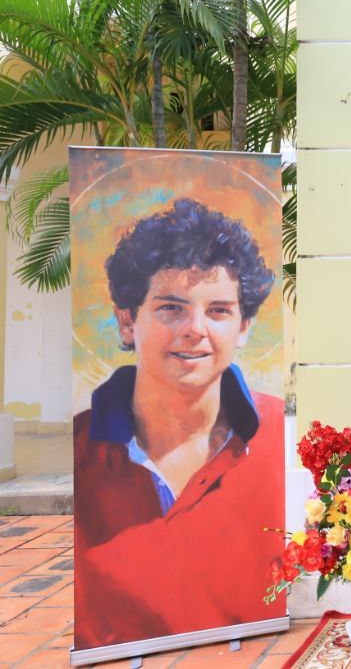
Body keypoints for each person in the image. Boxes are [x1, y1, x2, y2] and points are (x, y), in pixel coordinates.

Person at [74, 198, 284, 650]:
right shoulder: (79, 450)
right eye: (171, 307)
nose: (195, 329)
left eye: (219, 310)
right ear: (127, 321)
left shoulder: (278, 440)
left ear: (244, 327)